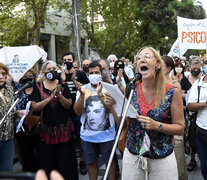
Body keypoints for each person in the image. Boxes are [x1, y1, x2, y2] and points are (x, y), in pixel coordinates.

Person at [121, 47, 185, 180]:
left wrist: (157, 125)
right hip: (133, 157)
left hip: (162, 159)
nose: (142, 59)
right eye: (139, 58)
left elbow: (180, 128)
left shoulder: (172, 91)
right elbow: (124, 123)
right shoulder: (131, 89)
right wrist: (110, 106)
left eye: (147, 56)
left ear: (157, 64)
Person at [29, 61, 78, 180]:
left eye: (53, 68)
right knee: (46, 164)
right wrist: (50, 99)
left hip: (63, 131)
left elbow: (68, 105)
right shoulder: (37, 86)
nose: (51, 71)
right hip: (45, 132)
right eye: (48, 69)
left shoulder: (62, 84)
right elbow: (34, 107)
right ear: (44, 72)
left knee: (66, 164)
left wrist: (60, 96)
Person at [73, 62, 119, 180]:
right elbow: (77, 111)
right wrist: (82, 96)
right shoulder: (83, 89)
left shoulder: (109, 89)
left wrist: (100, 94)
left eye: (96, 72)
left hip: (107, 135)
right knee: (91, 163)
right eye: (91, 73)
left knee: (110, 162)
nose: (94, 75)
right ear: (87, 75)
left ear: (101, 74)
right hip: (88, 136)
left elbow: (112, 110)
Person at [61, 52, 89, 175]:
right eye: (65, 60)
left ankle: (83, 160)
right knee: (67, 138)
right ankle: (69, 160)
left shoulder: (81, 74)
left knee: (80, 137)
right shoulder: (59, 75)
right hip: (64, 111)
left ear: (73, 61)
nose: (67, 62)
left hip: (78, 110)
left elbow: (88, 90)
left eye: (69, 60)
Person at [162, 55, 187, 180]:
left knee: (179, 167)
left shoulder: (175, 85)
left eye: (161, 65)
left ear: (168, 68)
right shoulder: (156, 84)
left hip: (174, 132)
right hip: (162, 133)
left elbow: (180, 110)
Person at [0, 63, 24, 171]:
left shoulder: (9, 90)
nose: (1, 76)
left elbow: (8, 111)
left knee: (7, 171)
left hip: (8, 138)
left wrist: (18, 113)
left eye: (3, 73)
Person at [181, 57, 202, 172]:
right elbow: (181, 95)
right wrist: (190, 94)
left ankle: (202, 156)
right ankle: (192, 159)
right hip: (188, 112)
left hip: (202, 112)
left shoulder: (204, 79)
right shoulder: (185, 80)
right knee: (190, 135)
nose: (196, 70)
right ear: (190, 67)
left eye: (198, 68)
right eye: (194, 68)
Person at [15, 69, 37, 172]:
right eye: (25, 76)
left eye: (30, 76)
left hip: (36, 126)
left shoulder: (38, 89)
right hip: (22, 127)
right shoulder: (19, 91)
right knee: (25, 152)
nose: (28, 78)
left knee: (38, 152)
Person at [188, 74, 207, 180]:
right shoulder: (198, 84)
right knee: (205, 165)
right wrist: (204, 104)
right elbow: (190, 106)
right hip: (202, 131)